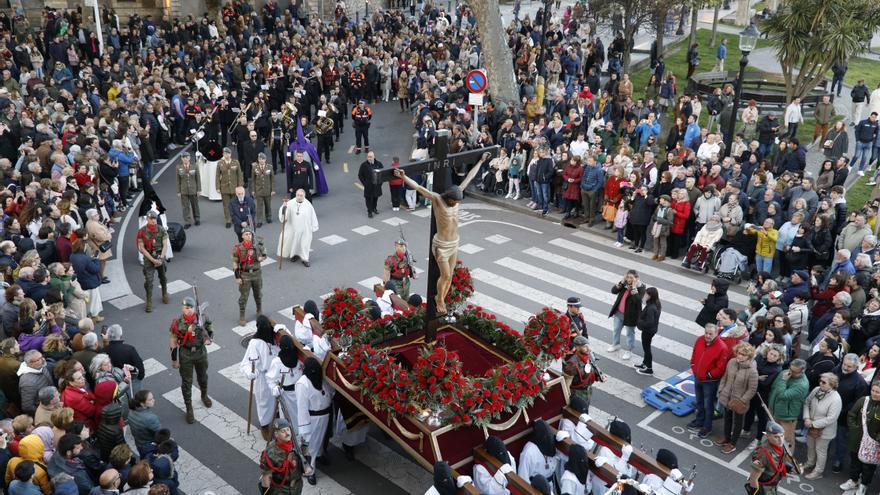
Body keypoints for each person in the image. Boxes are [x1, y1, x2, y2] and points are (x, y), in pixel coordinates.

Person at [394, 158, 484, 315]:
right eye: (455, 201)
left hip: (454, 243)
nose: (457, 203)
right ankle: (439, 299)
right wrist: (403, 177)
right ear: (449, 198)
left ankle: (441, 296)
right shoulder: (437, 199)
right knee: (446, 274)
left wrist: (481, 161)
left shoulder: (456, 198)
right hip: (441, 245)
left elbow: (469, 177)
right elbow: (419, 188)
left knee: (449, 277)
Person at [169, 296, 213, 424]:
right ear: (182, 308)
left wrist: (209, 338)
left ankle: (204, 395)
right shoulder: (177, 323)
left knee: (203, 377)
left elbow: (210, 329)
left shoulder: (202, 318)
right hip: (186, 354)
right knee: (186, 382)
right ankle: (189, 407)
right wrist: (174, 359)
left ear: (195, 308)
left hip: (200, 352)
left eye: (190, 307)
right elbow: (173, 341)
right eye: (185, 307)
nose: (188, 310)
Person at [295, 357, 333, 484]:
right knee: (308, 445)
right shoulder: (302, 383)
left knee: (321, 440)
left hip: (325, 416)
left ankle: (319, 455)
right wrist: (304, 428)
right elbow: (302, 407)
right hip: (312, 419)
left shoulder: (321, 379)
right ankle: (309, 470)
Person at [716, 342, 759, 454]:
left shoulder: (752, 371)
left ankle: (733, 443)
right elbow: (725, 377)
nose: (740, 356)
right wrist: (721, 390)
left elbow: (752, 389)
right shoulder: (731, 362)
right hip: (726, 397)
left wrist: (741, 401)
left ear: (749, 356)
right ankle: (726, 437)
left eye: (743, 354)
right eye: (739, 353)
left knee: (738, 423)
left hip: (739, 402)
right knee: (727, 419)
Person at [688, 323, 729, 439]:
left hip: (710, 382)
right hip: (698, 377)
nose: (707, 335)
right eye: (706, 333)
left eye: (711, 334)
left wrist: (709, 375)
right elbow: (694, 354)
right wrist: (693, 366)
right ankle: (699, 420)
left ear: (716, 334)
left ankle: (707, 426)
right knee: (699, 401)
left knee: (708, 405)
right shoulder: (700, 340)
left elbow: (720, 368)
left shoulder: (722, 347)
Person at [241, 316, 278, 441]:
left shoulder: (275, 337)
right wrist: (250, 372)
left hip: (278, 375)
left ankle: (277, 419)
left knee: (278, 400)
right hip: (264, 376)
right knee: (265, 402)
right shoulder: (255, 343)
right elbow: (245, 364)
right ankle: (265, 425)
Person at [840, 382, 880, 495]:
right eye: (873, 390)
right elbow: (852, 415)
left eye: (878, 392)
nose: (874, 394)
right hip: (856, 439)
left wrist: (877, 437)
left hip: (873, 443)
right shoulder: (863, 400)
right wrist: (854, 429)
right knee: (855, 462)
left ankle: (863, 485)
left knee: (869, 466)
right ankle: (853, 480)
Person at [802, 371, 842, 480]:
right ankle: (810, 463)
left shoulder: (836, 399)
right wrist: (806, 418)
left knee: (821, 451)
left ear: (832, 384)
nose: (820, 383)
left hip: (825, 431)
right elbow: (807, 403)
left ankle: (818, 472)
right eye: (820, 381)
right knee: (810, 446)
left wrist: (813, 423)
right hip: (810, 426)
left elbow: (831, 418)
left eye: (823, 382)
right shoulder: (816, 390)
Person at [260, 417, 310, 494]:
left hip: (297, 486)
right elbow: (266, 477)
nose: (287, 433)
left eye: (288, 429)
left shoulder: (297, 445)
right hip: (280, 489)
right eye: (283, 431)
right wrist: (265, 493)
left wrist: (307, 465)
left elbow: (305, 458)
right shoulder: (270, 452)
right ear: (276, 434)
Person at [768, 358, 809, 450]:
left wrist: (783, 380)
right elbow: (774, 387)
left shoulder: (802, 385)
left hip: (787, 417)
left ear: (802, 371)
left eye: (794, 371)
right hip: (774, 410)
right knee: (772, 436)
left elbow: (783, 395)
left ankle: (787, 462)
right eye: (790, 369)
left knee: (786, 441)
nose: (790, 372)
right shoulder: (785, 373)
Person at [266, 335, 304, 427]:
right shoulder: (277, 362)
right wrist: (275, 388)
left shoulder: (298, 357)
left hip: (300, 393)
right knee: (289, 419)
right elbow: (270, 380)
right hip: (287, 396)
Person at [608, 269, 645, 361]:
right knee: (616, 330)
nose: (628, 279)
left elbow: (637, 300)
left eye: (631, 278)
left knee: (629, 333)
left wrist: (633, 287)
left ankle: (629, 350)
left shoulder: (641, 287)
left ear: (636, 278)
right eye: (627, 277)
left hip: (631, 315)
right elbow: (613, 291)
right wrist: (621, 282)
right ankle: (616, 344)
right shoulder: (624, 284)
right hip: (619, 312)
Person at [232, 228, 267, 325]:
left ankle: (259, 309)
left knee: (258, 294)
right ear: (242, 236)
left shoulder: (257, 246)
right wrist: (237, 276)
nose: (248, 236)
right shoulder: (238, 248)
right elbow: (235, 262)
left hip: (256, 273)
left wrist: (261, 258)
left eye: (250, 234)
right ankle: (242, 316)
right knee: (243, 297)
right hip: (245, 275)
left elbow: (264, 254)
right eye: (246, 234)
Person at [136, 211, 168, 313]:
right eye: (151, 219)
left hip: (160, 256)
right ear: (147, 219)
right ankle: (149, 301)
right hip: (149, 258)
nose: (154, 220)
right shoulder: (142, 231)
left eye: (155, 218)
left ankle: (164, 292)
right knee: (148, 281)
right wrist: (153, 260)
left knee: (162, 277)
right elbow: (142, 248)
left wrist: (161, 258)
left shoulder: (161, 230)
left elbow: (165, 245)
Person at [276, 190, 318, 268]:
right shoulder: (290, 203)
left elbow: (313, 216)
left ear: (304, 196)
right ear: (295, 195)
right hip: (293, 228)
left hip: (304, 229)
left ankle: (305, 259)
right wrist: (284, 207)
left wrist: (314, 226)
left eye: (301, 195)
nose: (299, 197)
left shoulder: (308, 205)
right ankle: (294, 255)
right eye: (298, 195)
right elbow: (284, 215)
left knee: (304, 244)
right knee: (294, 242)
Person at [746, 421, 790, 495]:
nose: (781, 440)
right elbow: (754, 478)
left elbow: (778, 461)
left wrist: (790, 468)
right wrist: (755, 493)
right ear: (768, 436)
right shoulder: (763, 454)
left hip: (773, 485)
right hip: (763, 488)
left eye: (782, 436)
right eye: (776, 437)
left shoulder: (779, 447)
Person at [563, 336, 603, 411]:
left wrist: (598, 376)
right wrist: (568, 401)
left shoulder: (589, 356)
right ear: (577, 348)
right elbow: (566, 386)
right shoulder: (572, 364)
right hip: (577, 394)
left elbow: (591, 369)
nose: (588, 349)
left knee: (585, 411)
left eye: (588, 345)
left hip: (588, 391)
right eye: (585, 347)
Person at [635, 287, 661, 376]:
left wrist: (639, 321)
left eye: (646, 294)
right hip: (651, 330)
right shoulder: (655, 303)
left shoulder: (651, 307)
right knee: (646, 347)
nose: (645, 295)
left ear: (650, 296)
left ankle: (649, 369)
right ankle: (644, 364)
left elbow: (649, 322)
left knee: (647, 348)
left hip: (648, 331)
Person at [216, 148, 244, 229]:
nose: (226, 155)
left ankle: (236, 219)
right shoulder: (220, 163)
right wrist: (218, 187)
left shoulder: (236, 162)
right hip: (224, 187)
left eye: (228, 153)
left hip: (234, 187)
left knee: (235, 205)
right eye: (225, 154)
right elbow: (217, 176)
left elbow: (239, 175)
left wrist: (240, 186)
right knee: (226, 205)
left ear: (230, 154)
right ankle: (228, 220)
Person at [175, 153, 201, 229]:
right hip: (184, 190)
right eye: (183, 157)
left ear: (189, 158)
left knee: (195, 205)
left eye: (186, 157)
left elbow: (198, 179)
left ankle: (197, 219)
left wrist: (199, 189)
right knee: (185, 207)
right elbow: (177, 180)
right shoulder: (178, 167)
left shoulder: (194, 166)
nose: (185, 159)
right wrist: (178, 191)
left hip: (193, 189)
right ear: (181, 159)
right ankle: (187, 221)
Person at [251, 153, 275, 228]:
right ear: (258, 160)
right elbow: (253, 180)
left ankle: (268, 217)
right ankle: (259, 220)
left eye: (263, 159)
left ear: (265, 159)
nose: (261, 160)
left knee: (268, 205)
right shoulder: (255, 168)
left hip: (267, 190)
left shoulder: (269, 167)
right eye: (260, 159)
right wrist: (253, 190)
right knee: (259, 206)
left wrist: (273, 189)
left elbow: (272, 179)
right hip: (259, 190)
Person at [358, 152, 384, 218]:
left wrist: (380, 183)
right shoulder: (364, 165)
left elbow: (383, 173)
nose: (369, 158)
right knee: (368, 198)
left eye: (370, 157)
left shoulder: (379, 164)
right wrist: (365, 183)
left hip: (376, 185)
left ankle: (374, 208)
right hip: (368, 186)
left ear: (374, 157)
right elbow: (360, 175)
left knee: (376, 197)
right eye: (368, 156)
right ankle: (369, 211)